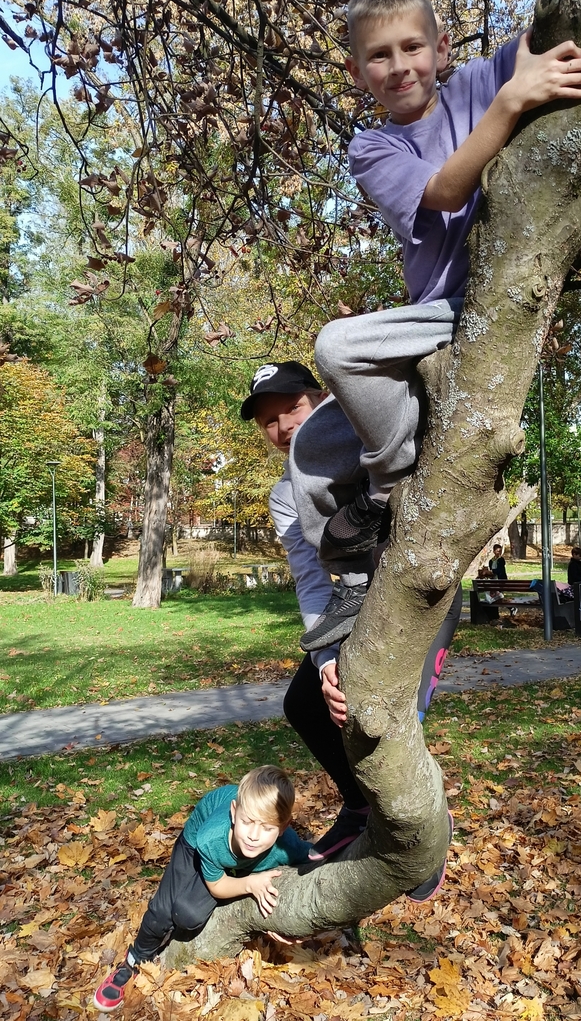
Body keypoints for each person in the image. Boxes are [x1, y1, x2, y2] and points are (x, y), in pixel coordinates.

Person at [292, 0, 581, 651]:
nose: (400, 66)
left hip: (479, 306)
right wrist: (512, 102)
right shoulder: (373, 148)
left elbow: (554, 34)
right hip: (430, 316)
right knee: (308, 448)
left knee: (336, 347)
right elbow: (442, 191)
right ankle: (353, 577)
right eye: (379, 55)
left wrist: (529, 67)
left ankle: (386, 489)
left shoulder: (478, 83)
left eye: (413, 47)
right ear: (357, 71)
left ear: (439, 48)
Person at [241, 361, 459, 898]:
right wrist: (325, 661)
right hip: (358, 607)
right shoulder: (285, 496)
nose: (283, 427)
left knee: (386, 723)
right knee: (306, 703)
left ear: (322, 399)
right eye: (268, 421)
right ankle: (362, 806)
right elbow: (312, 581)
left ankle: (421, 837)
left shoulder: (373, 443)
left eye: (292, 407)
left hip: (422, 600)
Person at [93, 766, 311, 1012]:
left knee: (188, 915)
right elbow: (216, 886)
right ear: (234, 812)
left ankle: (229, 876)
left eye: (267, 828)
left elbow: (318, 861)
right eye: (247, 822)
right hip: (194, 844)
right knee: (162, 913)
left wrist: (292, 922)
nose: (253, 835)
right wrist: (250, 883)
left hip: (231, 858)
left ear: (283, 828)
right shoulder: (211, 838)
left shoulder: (287, 847)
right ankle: (133, 961)